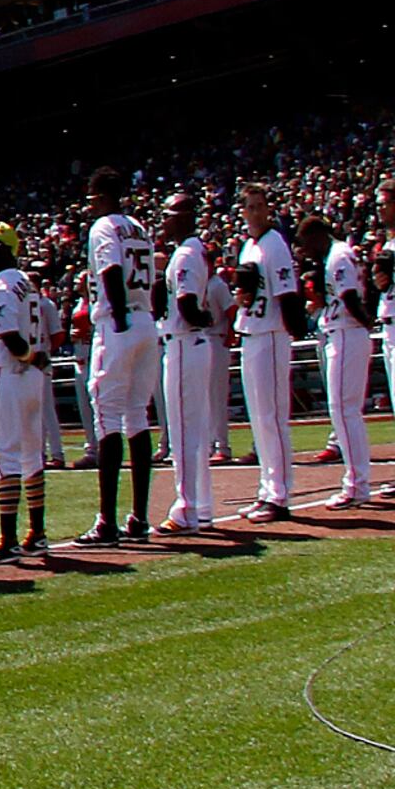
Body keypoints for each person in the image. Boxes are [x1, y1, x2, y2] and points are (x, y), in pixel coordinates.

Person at [75, 166, 160, 548]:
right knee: (138, 415)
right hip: (146, 320)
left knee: (107, 417)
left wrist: (120, 319)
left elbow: (110, 270)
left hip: (119, 321)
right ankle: (139, 516)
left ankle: (106, 521)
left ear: (100, 196)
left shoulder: (103, 228)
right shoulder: (139, 227)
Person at [0, 224, 57, 563]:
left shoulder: (3, 286)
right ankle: (36, 533)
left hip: (9, 373)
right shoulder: (28, 285)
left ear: (1, 249)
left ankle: (7, 540)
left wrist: (28, 355)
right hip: (32, 380)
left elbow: (11, 339)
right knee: (31, 455)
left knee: (1, 453)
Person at [228, 184, 302, 520]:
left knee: (272, 416)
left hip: (272, 333)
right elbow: (248, 290)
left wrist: (291, 330)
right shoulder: (248, 246)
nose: (256, 212)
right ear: (242, 211)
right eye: (250, 207)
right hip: (252, 331)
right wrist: (241, 298)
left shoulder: (274, 244)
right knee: (258, 418)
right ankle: (266, 489)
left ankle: (280, 495)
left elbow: (287, 293)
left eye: (260, 206)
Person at [160, 193, 222, 534]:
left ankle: (186, 509)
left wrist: (205, 316)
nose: (165, 220)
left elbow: (187, 306)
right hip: (192, 344)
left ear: (185, 217)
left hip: (184, 342)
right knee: (194, 431)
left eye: (170, 215)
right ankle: (201, 507)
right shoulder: (193, 251)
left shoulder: (185, 253)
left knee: (183, 433)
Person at [315, 211, 376, 509]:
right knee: (347, 410)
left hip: (346, 331)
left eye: (306, 241)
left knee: (343, 410)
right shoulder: (341, 252)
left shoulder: (337, 255)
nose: (305, 248)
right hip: (348, 332)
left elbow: (350, 296)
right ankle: (358, 482)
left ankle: (356, 485)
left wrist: (366, 323)